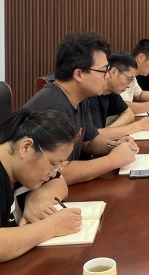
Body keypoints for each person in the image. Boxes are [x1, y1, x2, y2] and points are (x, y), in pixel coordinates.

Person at [0, 109, 83, 267]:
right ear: (26, 147)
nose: (53, 172)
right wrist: (51, 227)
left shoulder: (15, 155)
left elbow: (59, 182)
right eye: (52, 163)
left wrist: (38, 198)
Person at [23, 31, 138, 187]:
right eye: (103, 71)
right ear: (79, 74)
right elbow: (57, 173)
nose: (107, 76)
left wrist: (115, 146)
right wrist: (113, 160)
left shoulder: (80, 98)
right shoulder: (54, 109)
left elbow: (89, 141)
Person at [86, 51, 149, 140]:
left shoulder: (111, 90)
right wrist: (139, 126)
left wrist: (108, 131)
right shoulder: (90, 93)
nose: (129, 86)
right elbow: (95, 136)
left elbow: (129, 114)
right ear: (114, 72)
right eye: (128, 79)